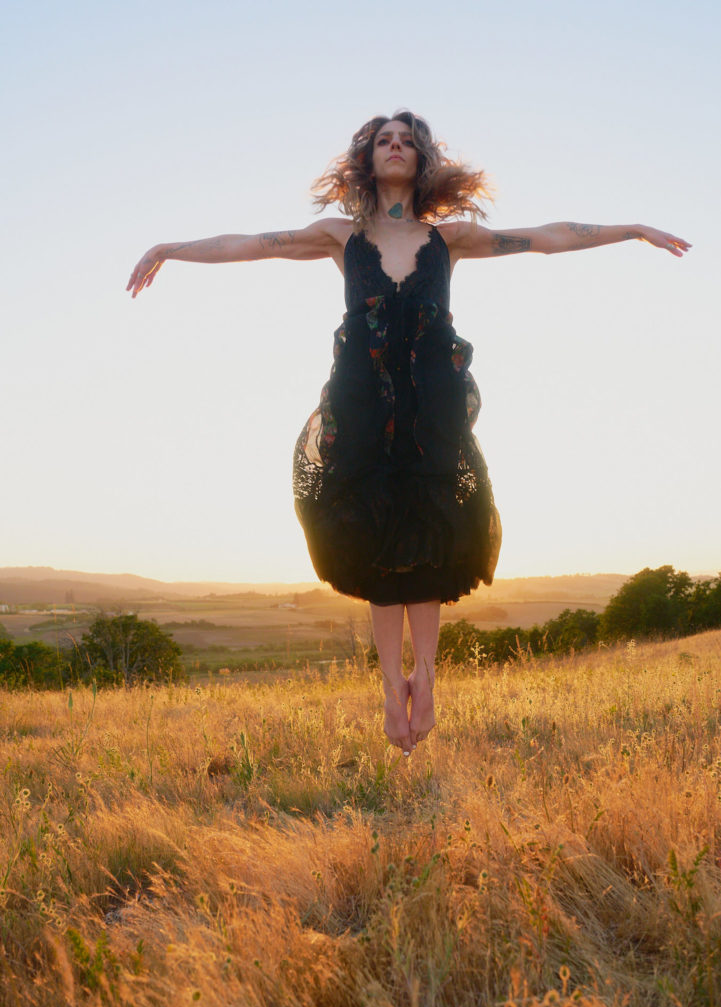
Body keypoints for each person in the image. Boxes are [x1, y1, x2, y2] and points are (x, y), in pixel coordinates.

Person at [127, 110, 690, 757]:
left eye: (405, 142)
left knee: (431, 525)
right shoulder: (338, 236)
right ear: (367, 161)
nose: (394, 148)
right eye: (383, 141)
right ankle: (390, 688)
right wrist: (169, 247)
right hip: (363, 399)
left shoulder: (449, 238)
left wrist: (632, 231)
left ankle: (424, 675)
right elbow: (252, 243)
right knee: (371, 528)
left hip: (433, 400)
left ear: (420, 161)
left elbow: (545, 235)